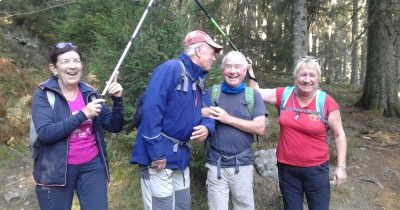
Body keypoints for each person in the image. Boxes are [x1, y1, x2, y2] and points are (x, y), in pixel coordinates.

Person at [130, 30, 222, 210]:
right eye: (212, 52)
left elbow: (209, 111)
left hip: (180, 157)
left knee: (182, 205)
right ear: (198, 51)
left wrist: (207, 128)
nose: (214, 58)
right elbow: (151, 110)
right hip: (160, 157)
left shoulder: (198, 81)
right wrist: (156, 151)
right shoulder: (172, 69)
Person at [31, 42, 124, 210]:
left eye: (76, 60)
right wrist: (83, 114)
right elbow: (46, 133)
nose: (72, 66)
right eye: (65, 61)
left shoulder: (89, 93)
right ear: (54, 68)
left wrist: (117, 100)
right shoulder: (44, 95)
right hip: (55, 170)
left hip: (92, 166)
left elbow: (114, 125)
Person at [247, 55, 347, 210]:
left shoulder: (326, 102)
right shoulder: (284, 95)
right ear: (295, 77)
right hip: (287, 169)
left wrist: (341, 167)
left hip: (316, 170)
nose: (307, 80)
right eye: (303, 75)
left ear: (318, 78)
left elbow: (339, 135)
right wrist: (249, 70)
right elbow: (255, 93)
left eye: (312, 75)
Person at [202, 51, 267, 210]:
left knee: (243, 207)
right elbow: (199, 114)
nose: (233, 71)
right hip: (215, 164)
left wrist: (227, 118)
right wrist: (204, 116)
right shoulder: (213, 92)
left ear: (244, 71)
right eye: (228, 66)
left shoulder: (253, 96)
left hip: (242, 164)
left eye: (237, 67)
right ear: (223, 69)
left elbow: (260, 128)